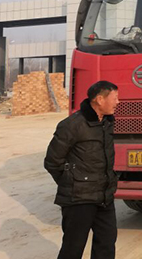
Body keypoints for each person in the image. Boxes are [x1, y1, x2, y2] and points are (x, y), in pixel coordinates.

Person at [44, 81, 119, 259]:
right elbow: (52, 162)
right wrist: (72, 183)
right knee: (73, 248)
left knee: (106, 245)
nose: (118, 102)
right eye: (115, 98)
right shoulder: (72, 125)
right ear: (100, 99)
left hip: (104, 196)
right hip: (78, 198)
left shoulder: (107, 123)